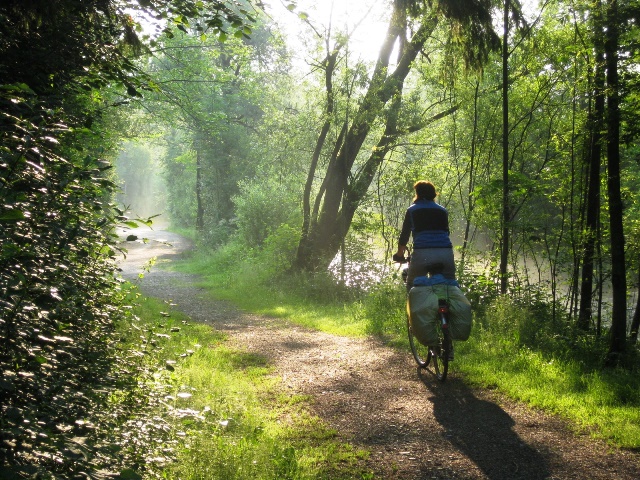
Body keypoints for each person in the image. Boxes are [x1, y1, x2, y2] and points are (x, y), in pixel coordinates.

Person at [394, 181, 455, 290]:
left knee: (412, 286)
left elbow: (404, 236)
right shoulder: (443, 211)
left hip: (423, 253)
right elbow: (447, 233)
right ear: (434, 194)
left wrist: (399, 254)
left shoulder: (412, 210)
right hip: (445, 252)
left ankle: (416, 306)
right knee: (449, 286)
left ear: (417, 194)